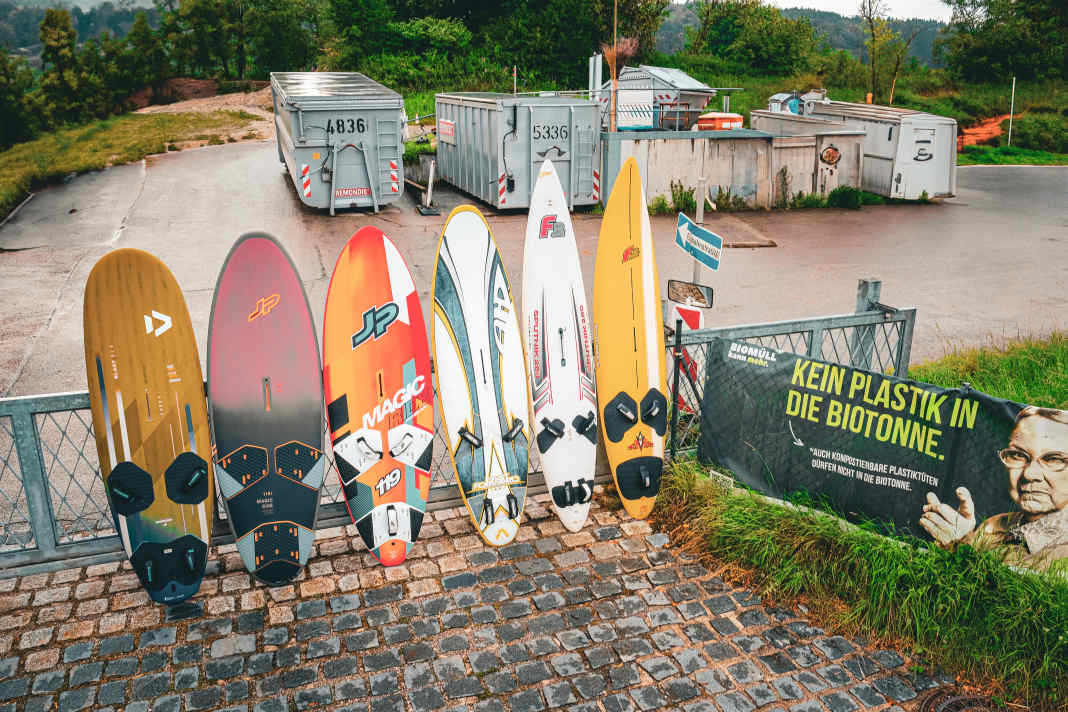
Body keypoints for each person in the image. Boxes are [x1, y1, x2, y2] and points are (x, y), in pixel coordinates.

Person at [919, 406, 1068, 572]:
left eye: (1053, 459)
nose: (1030, 474)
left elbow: (1011, 590)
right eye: (1018, 455)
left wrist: (961, 545)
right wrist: (968, 535)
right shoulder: (996, 524)